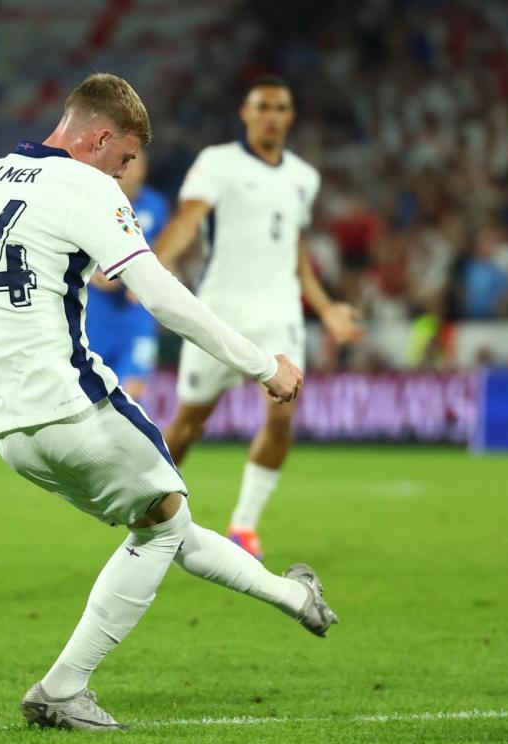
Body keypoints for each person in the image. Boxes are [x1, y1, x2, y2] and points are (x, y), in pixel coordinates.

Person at [0, 73, 338, 731]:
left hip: (4, 427)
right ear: (99, 136)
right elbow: (163, 296)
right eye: (123, 160)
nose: (123, 177)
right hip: (73, 404)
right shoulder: (85, 187)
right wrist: (263, 364)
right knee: (165, 522)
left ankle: (295, 596)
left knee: (161, 520)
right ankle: (62, 687)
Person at [155, 75, 363, 560]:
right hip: (219, 314)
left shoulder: (303, 178)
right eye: (262, 107)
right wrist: (146, 263)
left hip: (279, 315)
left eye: (281, 108)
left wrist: (327, 307)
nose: (272, 116)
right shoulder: (217, 163)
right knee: (187, 425)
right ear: (245, 114)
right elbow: (188, 219)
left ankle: (243, 526)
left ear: (290, 118)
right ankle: (151, 511)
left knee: (282, 412)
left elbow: (294, 248)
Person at [85, 152, 171, 399]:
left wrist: (154, 279)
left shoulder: (155, 205)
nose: (131, 170)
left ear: (145, 170)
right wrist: (93, 274)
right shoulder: (92, 203)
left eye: (137, 164)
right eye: (126, 163)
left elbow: (166, 251)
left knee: (132, 393)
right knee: (91, 397)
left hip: (135, 316)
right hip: (94, 316)